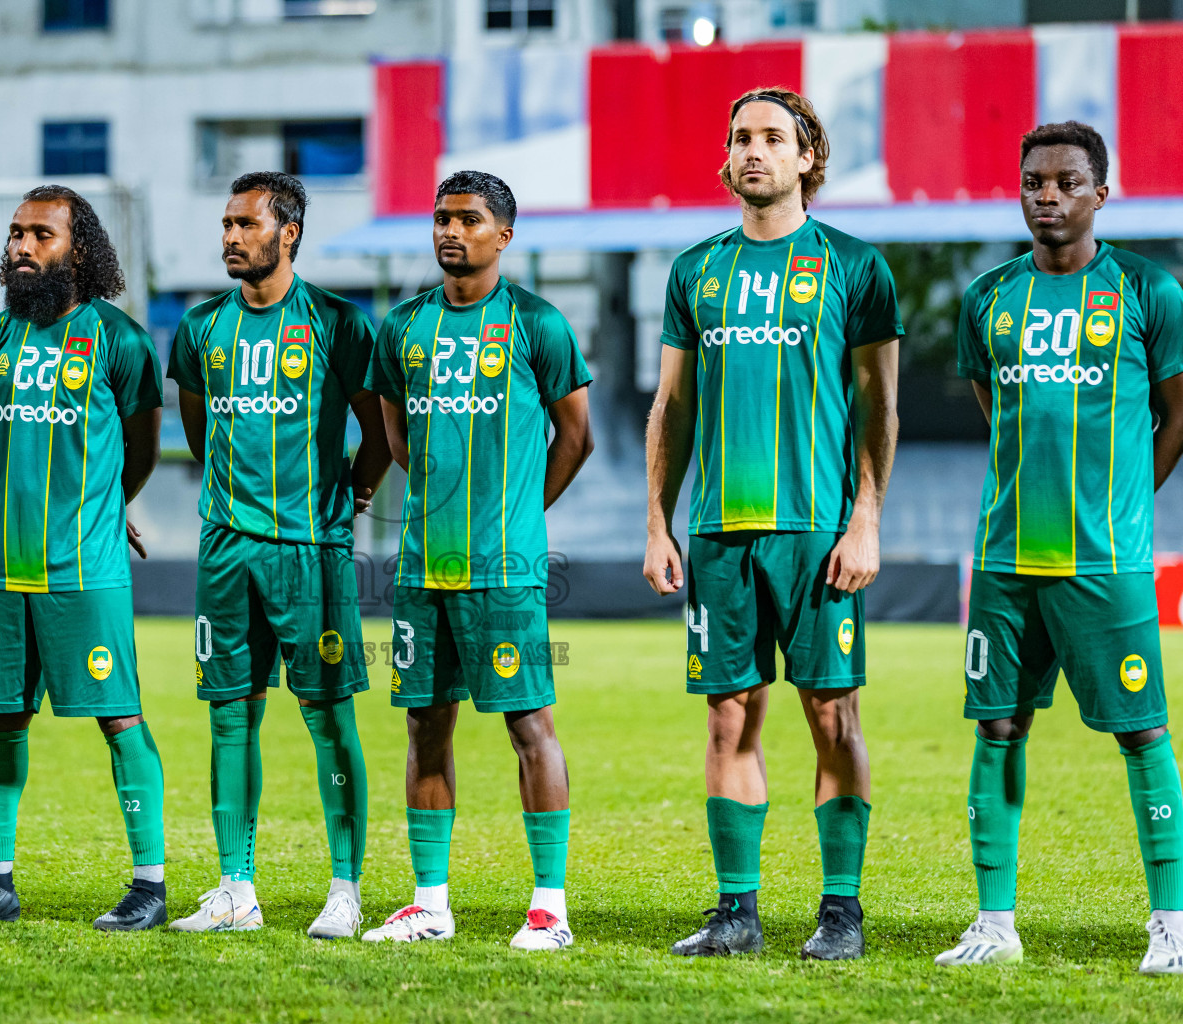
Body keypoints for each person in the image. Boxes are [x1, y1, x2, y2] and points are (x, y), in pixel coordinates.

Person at [644, 87, 901, 960]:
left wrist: (865, 518)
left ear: (807, 156)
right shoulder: (695, 271)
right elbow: (672, 406)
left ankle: (841, 912)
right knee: (729, 719)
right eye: (739, 138)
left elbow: (879, 404)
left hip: (818, 533)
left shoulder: (854, 266)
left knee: (834, 718)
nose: (752, 151)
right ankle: (736, 913)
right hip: (720, 532)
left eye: (771, 138)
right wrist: (658, 523)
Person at [935, 121, 1183, 974]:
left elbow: (1178, 412)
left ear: (1100, 194)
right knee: (998, 727)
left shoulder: (1149, 291)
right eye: (1034, 182)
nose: (1048, 196)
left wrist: (1128, 501)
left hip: (1106, 563)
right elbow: (992, 403)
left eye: (1067, 182)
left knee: (1143, 733)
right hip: (1006, 561)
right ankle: (994, 923)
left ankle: (1172, 923)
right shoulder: (987, 298)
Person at [360, 170, 593, 951]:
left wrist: (520, 514)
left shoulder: (537, 324)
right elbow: (397, 440)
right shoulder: (403, 327)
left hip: (504, 571)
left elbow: (577, 437)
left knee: (530, 725)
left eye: (468, 219)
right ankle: (429, 903)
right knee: (426, 726)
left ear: (504, 235)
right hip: (422, 566)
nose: (450, 232)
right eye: (441, 218)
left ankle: (550, 908)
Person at [166, 171, 391, 938]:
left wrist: (353, 498)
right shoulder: (200, 327)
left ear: (288, 232)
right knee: (230, 716)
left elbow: (377, 433)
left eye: (247, 224)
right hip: (226, 547)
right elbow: (200, 431)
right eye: (227, 225)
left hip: (311, 550)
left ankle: (345, 889)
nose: (231, 237)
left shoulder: (338, 322)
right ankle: (236, 890)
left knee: (327, 716)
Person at [0, 185, 168, 930]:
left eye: (41, 235)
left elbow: (140, 450)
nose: (23, 247)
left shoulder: (120, 341)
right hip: (5, 568)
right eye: (16, 234)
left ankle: (150, 885)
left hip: (85, 570)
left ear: (79, 249)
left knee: (119, 718)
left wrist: (107, 507)